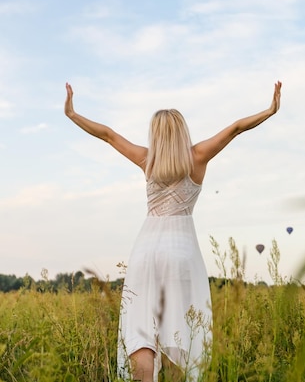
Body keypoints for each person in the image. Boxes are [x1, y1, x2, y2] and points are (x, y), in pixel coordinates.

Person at [64, 80, 282, 381]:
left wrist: (73, 114)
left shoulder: (146, 159)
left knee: (142, 329)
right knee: (181, 332)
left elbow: (108, 135)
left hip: (146, 252)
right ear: (183, 131)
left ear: (155, 134)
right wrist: (269, 110)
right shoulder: (198, 156)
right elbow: (235, 128)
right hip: (182, 253)